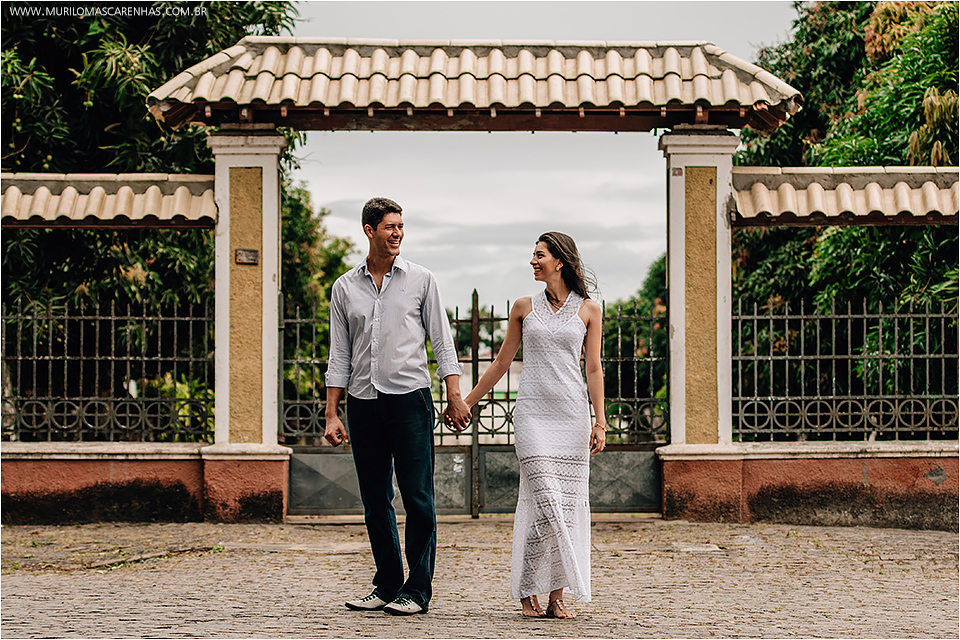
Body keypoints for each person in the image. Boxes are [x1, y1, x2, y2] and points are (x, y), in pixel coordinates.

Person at [447, 231, 606, 619]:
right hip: (533, 417)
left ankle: (554, 596)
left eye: (539, 255)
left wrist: (600, 421)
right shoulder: (523, 307)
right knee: (545, 503)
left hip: (571, 418)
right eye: (533, 255)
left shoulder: (589, 309)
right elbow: (502, 364)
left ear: (560, 261)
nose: (533, 261)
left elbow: (594, 367)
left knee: (564, 511)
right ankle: (525, 591)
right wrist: (465, 403)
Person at [324, 197, 470, 616]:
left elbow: (442, 341)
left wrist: (454, 394)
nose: (398, 233)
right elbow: (339, 354)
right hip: (363, 403)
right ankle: (387, 584)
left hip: (409, 401)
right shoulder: (344, 287)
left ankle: (418, 591)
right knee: (375, 498)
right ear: (370, 230)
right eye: (390, 226)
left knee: (418, 497)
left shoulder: (421, 280)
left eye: (401, 227)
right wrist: (333, 412)